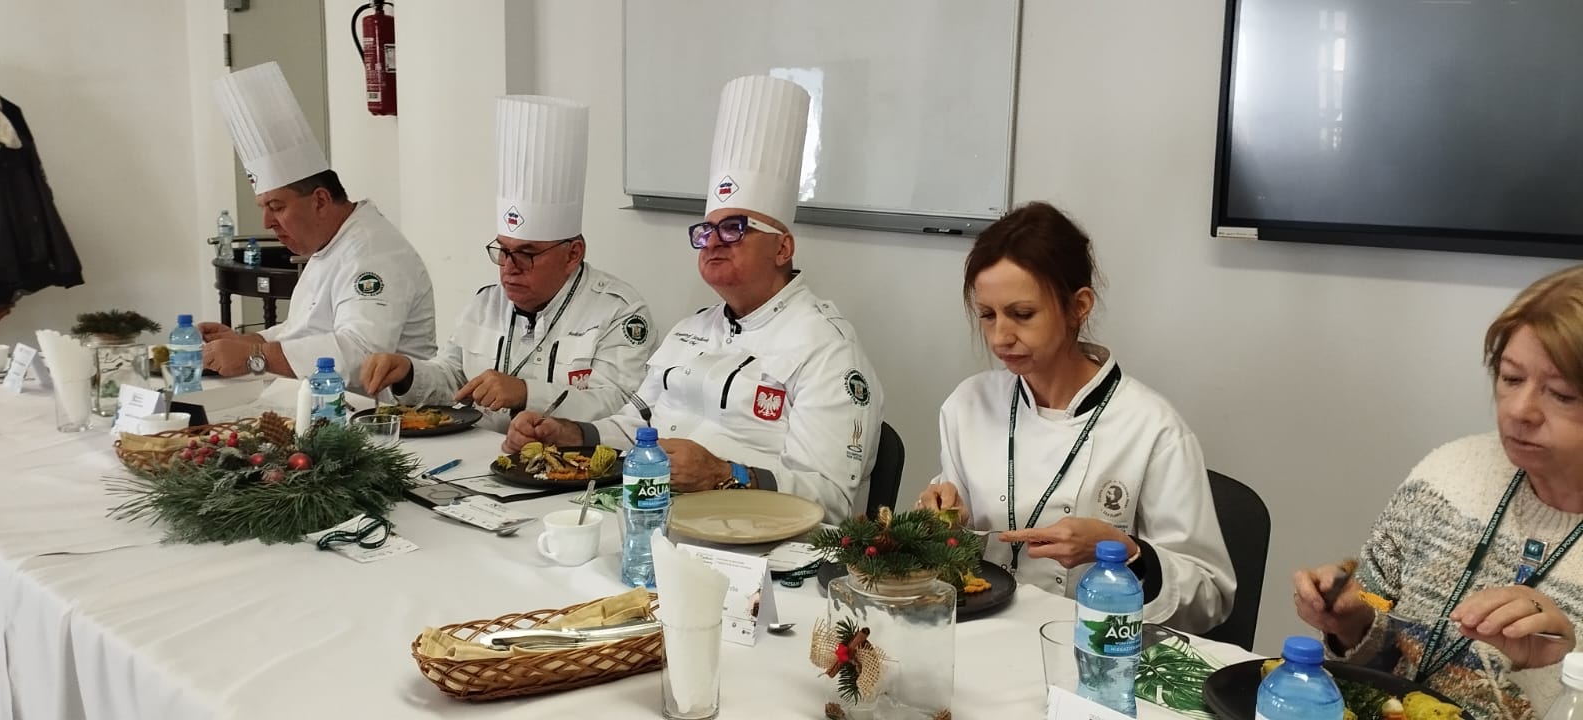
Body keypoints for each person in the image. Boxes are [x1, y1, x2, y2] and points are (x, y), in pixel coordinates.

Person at [501, 75, 882, 524]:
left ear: (782, 248)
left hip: (760, 540)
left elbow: (832, 501)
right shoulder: (691, 330)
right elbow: (633, 428)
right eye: (706, 231)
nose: (713, 241)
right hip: (657, 517)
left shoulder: (826, 348)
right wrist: (569, 433)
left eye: (734, 229)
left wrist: (724, 475)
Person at [916, 201, 1234, 634]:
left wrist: (1123, 550)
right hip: (980, 636)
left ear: (1078, 306)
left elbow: (1210, 595)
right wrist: (942, 516)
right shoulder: (968, 405)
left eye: (1022, 315)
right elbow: (952, 544)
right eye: (987, 315)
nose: (1000, 337)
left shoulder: (1151, 427)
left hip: (1093, 648)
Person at [1293, 266, 1583, 718]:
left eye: (1561, 394)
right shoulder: (1446, 477)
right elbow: (1378, 620)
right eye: (1510, 379)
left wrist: (1557, 668)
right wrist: (1353, 622)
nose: (1520, 410)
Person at [359, 96, 653, 429]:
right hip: (481, 452)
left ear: (573, 254)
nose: (509, 267)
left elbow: (620, 404)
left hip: (564, 459)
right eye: (503, 250)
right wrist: (408, 374)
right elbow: (453, 380)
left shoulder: (618, 312)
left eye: (527, 254)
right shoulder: (486, 303)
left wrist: (527, 393)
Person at [199, 62, 435, 383]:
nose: (267, 222)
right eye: (263, 208)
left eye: (276, 207)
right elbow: (303, 331)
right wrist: (247, 341)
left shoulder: (373, 253)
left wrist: (255, 356)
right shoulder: (331, 243)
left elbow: (361, 355)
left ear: (320, 201)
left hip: (382, 409)